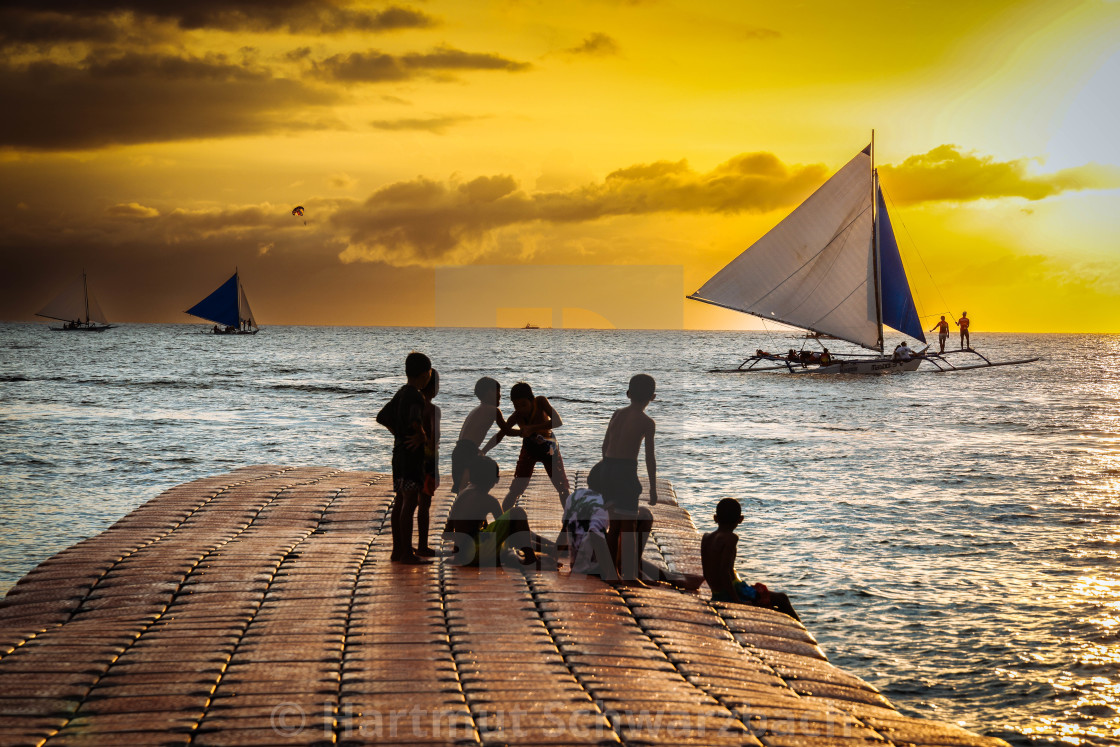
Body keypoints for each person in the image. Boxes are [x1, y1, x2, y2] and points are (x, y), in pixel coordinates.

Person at [445, 455, 554, 568]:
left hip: (464, 555)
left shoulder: (462, 495)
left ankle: (546, 550)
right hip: (477, 551)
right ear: (494, 480)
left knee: (509, 549)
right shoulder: (490, 501)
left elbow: (446, 533)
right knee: (517, 513)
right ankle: (533, 557)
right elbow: (511, 534)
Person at [701, 498, 800, 621]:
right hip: (733, 593)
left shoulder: (706, 538)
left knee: (775, 606)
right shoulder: (731, 538)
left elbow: (706, 571)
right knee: (782, 599)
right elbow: (724, 571)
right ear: (740, 520)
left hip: (717, 593)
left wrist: (716, 592)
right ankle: (804, 632)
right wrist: (736, 600)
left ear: (715, 518)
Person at [601, 373, 658, 586]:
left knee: (614, 526)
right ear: (652, 397)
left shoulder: (616, 414)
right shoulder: (647, 422)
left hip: (608, 468)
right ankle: (630, 575)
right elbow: (649, 457)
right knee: (629, 527)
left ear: (628, 394)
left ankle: (610, 571)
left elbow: (604, 446)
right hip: (625, 471)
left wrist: (607, 471)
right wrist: (652, 488)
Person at [376, 351, 432, 565]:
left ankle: (397, 550)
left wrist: (399, 434)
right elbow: (415, 421)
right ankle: (407, 553)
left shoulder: (401, 392)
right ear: (425, 374)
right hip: (411, 457)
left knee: (401, 500)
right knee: (410, 502)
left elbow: (382, 417)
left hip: (398, 454)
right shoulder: (416, 396)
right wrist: (421, 435)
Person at [500, 382, 570, 512]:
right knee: (516, 489)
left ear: (531, 400)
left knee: (562, 488)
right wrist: (484, 449)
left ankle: (569, 524)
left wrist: (532, 428)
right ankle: (502, 520)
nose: (521, 409)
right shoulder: (517, 415)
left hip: (549, 448)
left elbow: (557, 421)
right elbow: (504, 432)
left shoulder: (541, 402)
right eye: (516, 406)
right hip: (529, 449)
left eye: (524, 404)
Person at [450, 377, 509, 494]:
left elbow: (500, 434)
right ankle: (463, 509)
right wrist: (524, 430)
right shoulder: (493, 410)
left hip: (459, 450)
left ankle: (462, 508)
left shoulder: (477, 410)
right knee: (464, 488)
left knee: (461, 488)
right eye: (497, 392)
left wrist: (484, 450)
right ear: (488, 393)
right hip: (468, 451)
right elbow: (507, 430)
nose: (500, 396)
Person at [416, 369, 441, 557]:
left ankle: (406, 544)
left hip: (413, 458)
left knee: (409, 502)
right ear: (433, 387)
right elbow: (433, 439)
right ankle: (422, 545)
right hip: (428, 460)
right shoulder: (433, 410)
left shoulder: (414, 406)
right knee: (425, 504)